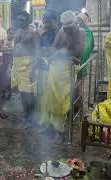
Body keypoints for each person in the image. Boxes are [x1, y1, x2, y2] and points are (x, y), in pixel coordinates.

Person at [42, 11, 85, 139]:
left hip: (68, 69)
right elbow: (54, 48)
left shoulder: (80, 33)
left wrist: (64, 53)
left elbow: (78, 53)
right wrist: (60, 52)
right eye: (65, 28)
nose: (67, 30)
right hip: (56, 68)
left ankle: (59, 129)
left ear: (75, 25)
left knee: (62, 99)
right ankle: (49, 127)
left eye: (69, 28)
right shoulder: (61, 31)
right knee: (51, 96)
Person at [11, 10, 39, 125]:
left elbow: (37, 51)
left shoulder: (33, 33)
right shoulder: (17, 31)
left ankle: (31, 117)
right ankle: (26, 115)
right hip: (17, 63)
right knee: (22, 92)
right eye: (18, 19)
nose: (19, 21)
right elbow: (15, 48)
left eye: (22, 20)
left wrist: (33, 68)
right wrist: (11, 66)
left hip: (28, 63)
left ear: (28, 20)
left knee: (29, 92)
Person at [37, 11, 59, 131]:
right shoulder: (44, 33)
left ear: (55, 21)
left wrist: (47, 52)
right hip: (43, 66)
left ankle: (52, 123)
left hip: (54, 67)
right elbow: (40, 49)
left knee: (52, 95)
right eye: (44, 22)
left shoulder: (60, 33)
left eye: (49, 22)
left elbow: (55, 51)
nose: (46, 24)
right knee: (43, 95)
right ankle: (44, 120)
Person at [0, 28, 15, 101]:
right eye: (10, 33)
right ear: (7, 33)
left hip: (12, 60)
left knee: (11, 77)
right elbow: (0, 49)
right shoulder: (3, 40)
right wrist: (11, 49)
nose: (11, 35)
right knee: (2, 77)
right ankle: (3, 92)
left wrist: (6, 49)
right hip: (4, 60)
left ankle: (10, 93)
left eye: (12, 33)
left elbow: (16, 50)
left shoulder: (16, 41)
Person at [77, 13, 94, 78]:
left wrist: (85, 53)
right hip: (76, 57)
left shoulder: (89, 32)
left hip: (84, 57)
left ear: (84, 21)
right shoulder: (75, 31)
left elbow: (91, 45)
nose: (78, 22)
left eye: (80, 20)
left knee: (81, 78)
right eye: (77, 20)